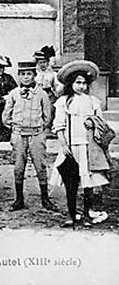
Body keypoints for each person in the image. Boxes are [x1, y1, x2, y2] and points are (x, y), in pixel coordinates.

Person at [50, 60, 110, 227]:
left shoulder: (93, 101)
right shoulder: (64, 101)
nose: (81, 86)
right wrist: (63, 145)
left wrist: (94, 122)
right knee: (71, 181)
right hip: (70, 146)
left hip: (88, 147)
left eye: (84, 83)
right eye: (78, 83)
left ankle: (86, 214)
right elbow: (59, 126)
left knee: (88, 182)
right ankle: (71, 214)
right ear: (71, 83)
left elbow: (101, 125)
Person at [2, 60, 58, 211]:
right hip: (19, 135)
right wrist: (15, 127)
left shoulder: (42, 94)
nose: (26, 77)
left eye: (29, 74)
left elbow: (47, 116)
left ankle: (45, 199)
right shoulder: (14, 94)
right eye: (22, 74)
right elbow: (6, 116)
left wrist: (39, 128)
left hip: (36, 135)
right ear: (19, 76)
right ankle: (18, 199)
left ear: (34, 75)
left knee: (40, 166)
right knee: (18, 167)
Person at [33, 45, 62, 133]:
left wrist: (58, 90)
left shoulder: (52, 74)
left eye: (44, 62)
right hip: (36, 93)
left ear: (48, 62)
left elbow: (57, 85)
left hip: (48, 94)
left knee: (50, 110)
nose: (42, 65)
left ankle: (48, 128)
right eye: (40, 62)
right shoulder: (35, 74)